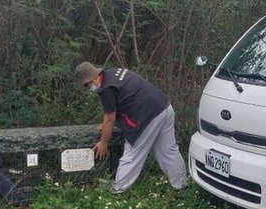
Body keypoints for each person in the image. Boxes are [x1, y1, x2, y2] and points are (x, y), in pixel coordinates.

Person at [75, 61, 188, 193]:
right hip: (164, 107)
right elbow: (128, 100)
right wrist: (107, 127)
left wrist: (103, 142)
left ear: (93, 77)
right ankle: (182, 187)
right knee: (169, 151)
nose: (89, 87)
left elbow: (110, 118)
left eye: (87, 84)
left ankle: (118, 191)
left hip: (147, 117)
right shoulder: (114, 73)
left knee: (132, 155)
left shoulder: (106, 89)